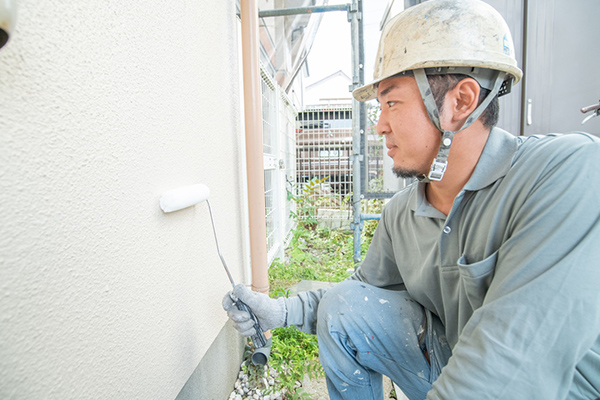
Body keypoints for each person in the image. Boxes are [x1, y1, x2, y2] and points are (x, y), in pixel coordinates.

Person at [223, 0, 600, 398]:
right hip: (451, 362)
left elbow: (512, 369)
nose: (380, 124)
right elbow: (354, 294)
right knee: (346, 307)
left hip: (555, 388)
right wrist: (282, 311)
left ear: (461, 101)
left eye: (392, 103)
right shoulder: (402, 213)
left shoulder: (568, 171)